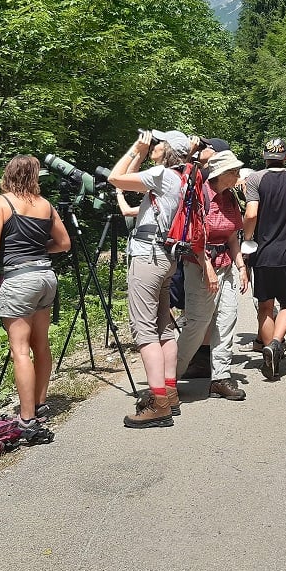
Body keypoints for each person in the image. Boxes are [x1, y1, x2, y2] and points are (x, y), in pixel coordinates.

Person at [108, 129, 199, 428]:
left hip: (147, 258)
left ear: (168, 150)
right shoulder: (182, 178)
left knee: (144, 330)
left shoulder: (162, 175)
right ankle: (169, 392)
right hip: (167, 258)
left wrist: (137, 148)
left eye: (158, 143)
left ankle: (158, 403)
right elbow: (132, 182)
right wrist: (143, 156)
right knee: (163, 326)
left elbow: (115, 177)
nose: (154, 145)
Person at [0, 155, 70, 442]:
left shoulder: (1, 202)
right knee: (41, 344)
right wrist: (38, 248)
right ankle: (40, 403)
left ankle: (27, 418)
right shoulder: (45, 205)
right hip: (46, 276)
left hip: (19, 279)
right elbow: (64, 243)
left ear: (8, 174)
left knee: (20, 350)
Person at [174, 150, 249, 401]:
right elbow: (193, 236)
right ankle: (168, 380)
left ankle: (220, 378)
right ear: (220, 174)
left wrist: (241, 267)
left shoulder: (230, 198)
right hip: (198, 265)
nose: (238, 175)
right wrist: (207, 267)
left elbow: (231, 235)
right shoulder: (198, 195)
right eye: (234, 171)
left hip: (225, 264)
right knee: (197, 324)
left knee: (227, 320)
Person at [244, 137, 286, 380]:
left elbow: (251, 213)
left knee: (264, 305)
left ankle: (269, 352)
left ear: (264, 156)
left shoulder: (255, 179)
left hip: (262, 252)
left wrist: (247, 238)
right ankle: (275, 344)